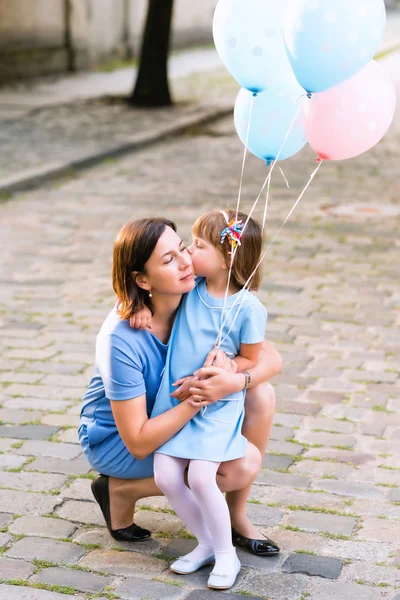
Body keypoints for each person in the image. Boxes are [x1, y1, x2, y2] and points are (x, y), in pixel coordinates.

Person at [79, 216, 282, 556]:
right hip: (122, 439)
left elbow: (270, 357)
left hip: (173, 419)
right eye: (169, 259)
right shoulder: (122, 337)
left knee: (260, 392)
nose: (187, 261)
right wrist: (200, 398)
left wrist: (233, 379)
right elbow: (139, 441)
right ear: (143, 280)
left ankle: (235, 515)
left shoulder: (194, 296)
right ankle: (121, 489)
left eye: (183, 248)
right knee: (239, 465)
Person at [130, 209, 269, 590]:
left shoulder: (249, 308)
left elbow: (252, 359)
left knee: (202, 476)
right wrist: (141, 307)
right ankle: (206, 542)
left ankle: (227, 554)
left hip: (215, 405)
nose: (189, 253)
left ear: (229, 259)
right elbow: (159, 302)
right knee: (166, 474)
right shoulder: (190, 291)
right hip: (175, 404)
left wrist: (229, 367)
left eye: (198, 246)